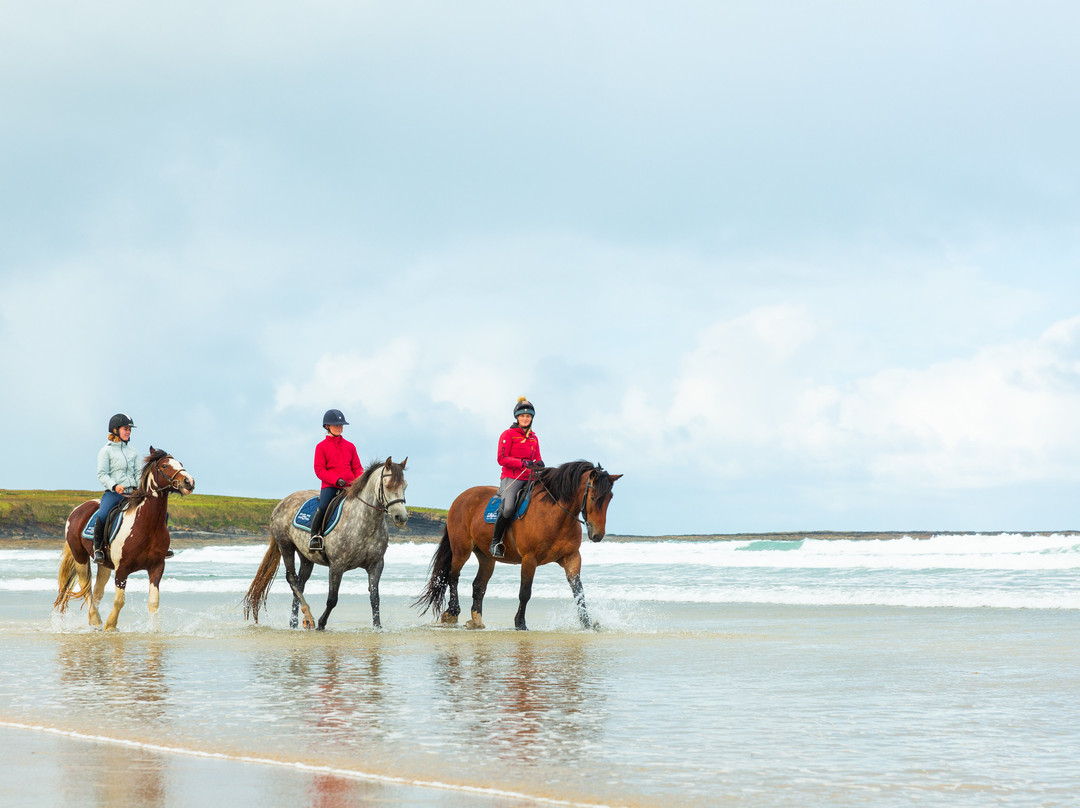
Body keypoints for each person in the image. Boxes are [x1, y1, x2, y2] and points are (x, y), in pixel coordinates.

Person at [491, 396, 544, 558]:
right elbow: (501, 459)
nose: (525, 418)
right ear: (517, 417)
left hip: (531, 478)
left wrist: (540, 464)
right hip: (512, 478)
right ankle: (495, 542)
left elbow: (537, 458)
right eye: (522, 416)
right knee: (508, 508)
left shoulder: (534, 438)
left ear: (531, 418)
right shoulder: (508, 434)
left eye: (528, 416)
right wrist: (522, 463)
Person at [309, 408, 364, 551]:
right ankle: (315, 537)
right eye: (336, 425)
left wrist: (360, 480)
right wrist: (336, 480)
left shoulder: (350, 446)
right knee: (323, 507)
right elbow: (319, 470)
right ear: (327, 426)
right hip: (331, 485)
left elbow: (357, 468)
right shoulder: (321, 447)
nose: (339, 428)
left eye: (341, 425)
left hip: (351, 485)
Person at [93, 413, 140, 564]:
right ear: (115, 430)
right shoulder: (106, 451)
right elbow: (102, 474)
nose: (128, 432)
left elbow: (138, 473)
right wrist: (114, 485)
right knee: (103, 514)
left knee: (158, 511)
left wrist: (140, 487)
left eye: (130, 429)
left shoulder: (133, 451)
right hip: (114, 493)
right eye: (126, 429)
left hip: (133, 493)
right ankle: (98, 548)